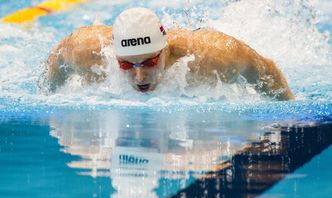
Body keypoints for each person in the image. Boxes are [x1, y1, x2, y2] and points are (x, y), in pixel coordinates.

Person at [44, 7, 294, 100]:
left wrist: (289, 110)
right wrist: (47, 94)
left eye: (150, 61)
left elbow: (264, 69)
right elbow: (56, 60)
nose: (140, 76)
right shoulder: (84, 50)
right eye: (126, 65)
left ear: (164, 50)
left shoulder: (214, 56)